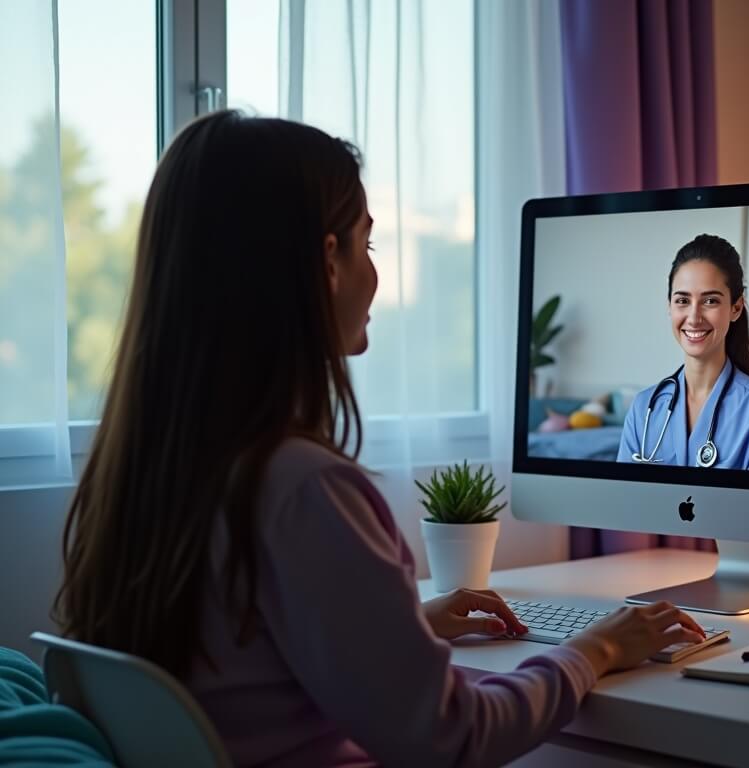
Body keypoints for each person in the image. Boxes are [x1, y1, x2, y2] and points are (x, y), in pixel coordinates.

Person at [54, 111, 706, 768]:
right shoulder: (301, 487)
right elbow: (452, 737)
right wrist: (594, 650)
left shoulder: (153, 471)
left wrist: (405, 628)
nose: (374, 275)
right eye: (366, 245)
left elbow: (245, 672)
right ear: (325, 261)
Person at [617, 234, 749, 471]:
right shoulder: (644, 408)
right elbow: (625, 503)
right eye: (682, 300)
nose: (694, 318)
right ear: (669, 307)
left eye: (710, 301)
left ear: (736, 308)